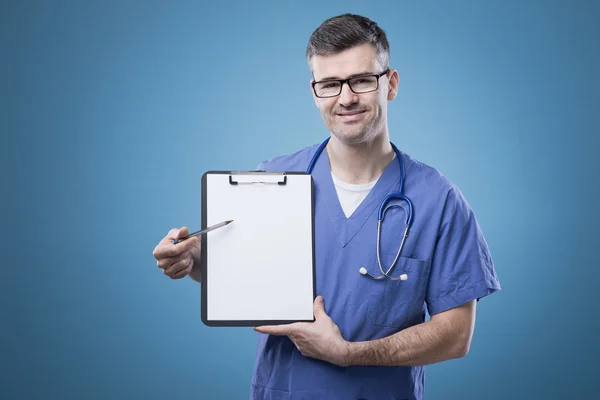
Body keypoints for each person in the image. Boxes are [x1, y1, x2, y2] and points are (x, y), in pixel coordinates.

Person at [153, 13, 501, 400]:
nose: (346, 98)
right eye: (330, 84)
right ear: (314, 92)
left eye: (362, 80)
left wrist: (348, 354)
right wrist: (197, 262)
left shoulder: (438, 200)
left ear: (391, 84)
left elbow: (455, 335)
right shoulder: (273, 178)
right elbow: (249, 283)